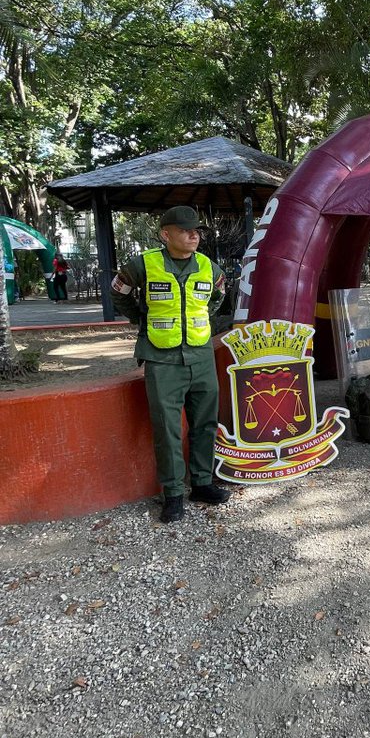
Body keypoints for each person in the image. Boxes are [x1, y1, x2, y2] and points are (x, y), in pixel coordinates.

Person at [111, 206, 231, 522]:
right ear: (166, 234)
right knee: (167, 428)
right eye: (186, 230)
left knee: (205, 422)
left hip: (201, 356)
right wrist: (142, 318)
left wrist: (198, 323)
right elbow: (119, 294)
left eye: (198, 231)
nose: (194, 235)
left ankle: (203, 483)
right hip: (161, 359)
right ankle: (173, 494)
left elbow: (216, 300)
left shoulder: (210, 268)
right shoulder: (142, 265)